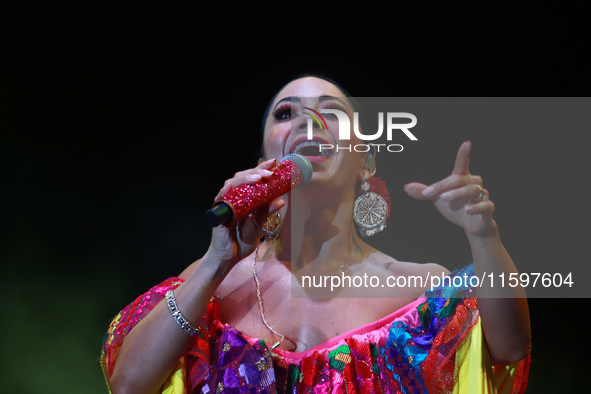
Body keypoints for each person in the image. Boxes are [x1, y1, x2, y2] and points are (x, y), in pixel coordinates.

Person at [101, 75, 531, 394]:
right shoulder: (214, 284)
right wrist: (216, 262)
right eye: (286, 113)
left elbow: (509, 350)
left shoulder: (416, 288)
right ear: (265, 159)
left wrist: (483, 233)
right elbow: (128, 386)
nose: (309, 121)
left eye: (332, 112)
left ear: (365, 161)